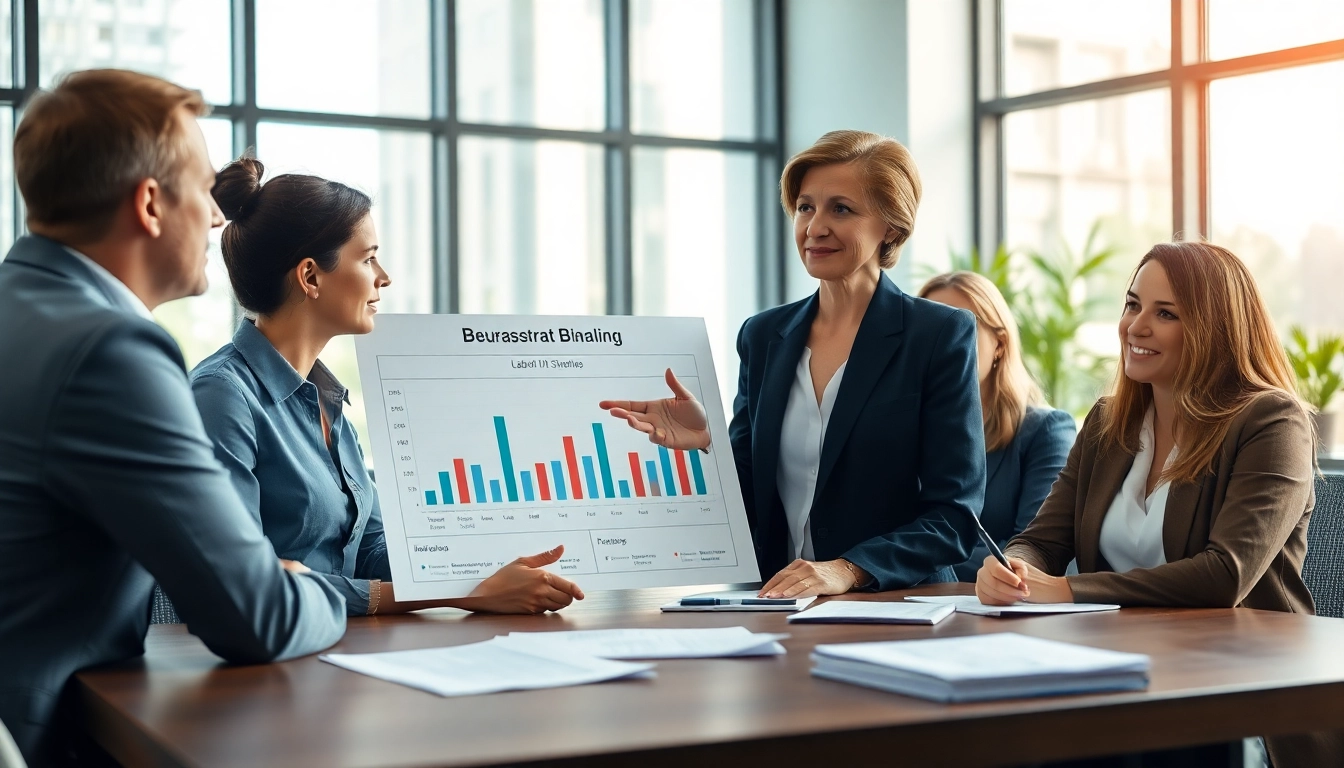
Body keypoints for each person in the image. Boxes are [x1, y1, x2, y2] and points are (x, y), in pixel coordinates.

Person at [0, 70, 345, 765]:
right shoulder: (109, 350)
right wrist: (314, 586)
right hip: (57, 738)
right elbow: (257, 615)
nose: (219, 217)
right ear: (151, 204)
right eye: (203, 191)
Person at [975, 241, 1340, 768]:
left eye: (1164, 313)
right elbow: (1042, 539)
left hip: (1243, 687)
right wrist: (1015, 568)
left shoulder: (1270, 422)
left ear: (1216, 328)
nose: (1135, 326)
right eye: (1131, 305)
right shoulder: (1107, 422)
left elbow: (1224, 575)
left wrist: (1068, 589)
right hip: (1117, 674)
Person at [191, 156, 585, 615]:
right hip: (270, 663)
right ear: (310, 276)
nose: (384, 277)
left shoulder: (326, 401)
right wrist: (464, 594)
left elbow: (369, 548)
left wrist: (485, 575)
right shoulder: (221, 397)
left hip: (346, 649)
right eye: (369, 257)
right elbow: (247, 578)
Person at [601, 130, 985, 596]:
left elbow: (955, 516)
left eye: (840, 209)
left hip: (897, 604)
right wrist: (710, 446)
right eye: (806, 207)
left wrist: (846, 569)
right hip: (776, 603)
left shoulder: (938, 334)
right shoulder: (764, 335)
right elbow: (749, 495)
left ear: (890, 226)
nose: (814, 227)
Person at [919, 271, 1075, 581]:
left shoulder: (1046, 431)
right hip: (903, 605)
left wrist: (907, 560)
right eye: (929, 332)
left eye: (959, 329)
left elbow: (1034, 551)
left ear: (999, 344)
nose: (939, 346)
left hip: (999, 609)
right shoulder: (908, 433)